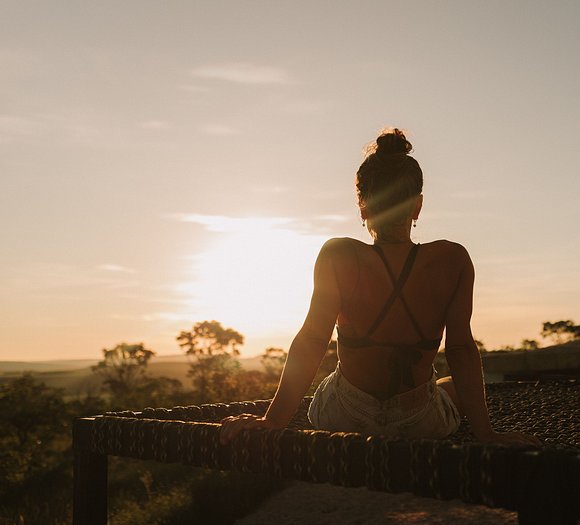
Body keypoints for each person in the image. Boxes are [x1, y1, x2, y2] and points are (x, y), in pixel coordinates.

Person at [220, 128, 541, 446]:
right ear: (417, 206)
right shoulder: (451, 259)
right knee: (451, 385)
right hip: (420, 420)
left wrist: (272, 421)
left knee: (336, 383)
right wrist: (487, 435)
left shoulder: (337, 254)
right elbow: (460, 349)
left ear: (362, 207)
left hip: (343, 414)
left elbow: (313, 339)